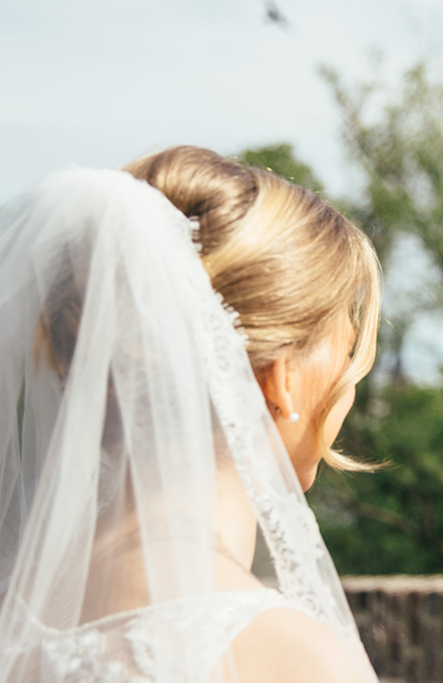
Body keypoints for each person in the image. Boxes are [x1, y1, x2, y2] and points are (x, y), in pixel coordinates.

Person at [0, 147, 382, 682]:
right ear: (280, 378)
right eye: (346, 354)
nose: (350, 386)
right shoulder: (286, 656)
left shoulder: (16, 620)